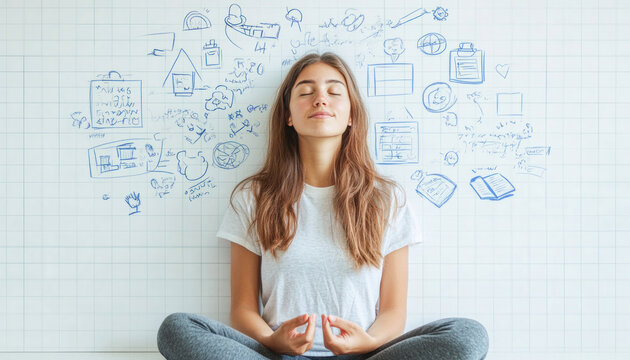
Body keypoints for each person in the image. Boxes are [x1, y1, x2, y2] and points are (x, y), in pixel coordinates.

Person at [157, 52, 489, 359]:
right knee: (177, 328)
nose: (320, 99)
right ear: (288, 116)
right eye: (305, 92)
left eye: (334, 91)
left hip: (365, 355)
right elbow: (243, 309)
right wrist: (273, 341)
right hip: (277, 354)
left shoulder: (387, 199)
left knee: (467, 335)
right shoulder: (254, 197)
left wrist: (368, 343)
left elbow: (392, 312)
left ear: (350, 116)